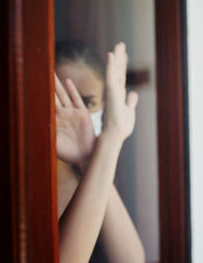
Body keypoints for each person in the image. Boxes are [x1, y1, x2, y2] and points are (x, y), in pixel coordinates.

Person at [54, 40, 145, 263]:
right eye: (64, 98)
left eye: (87, 102)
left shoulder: (95, 171)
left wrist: (89, 159)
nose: (76, 114)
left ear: (103, 107)